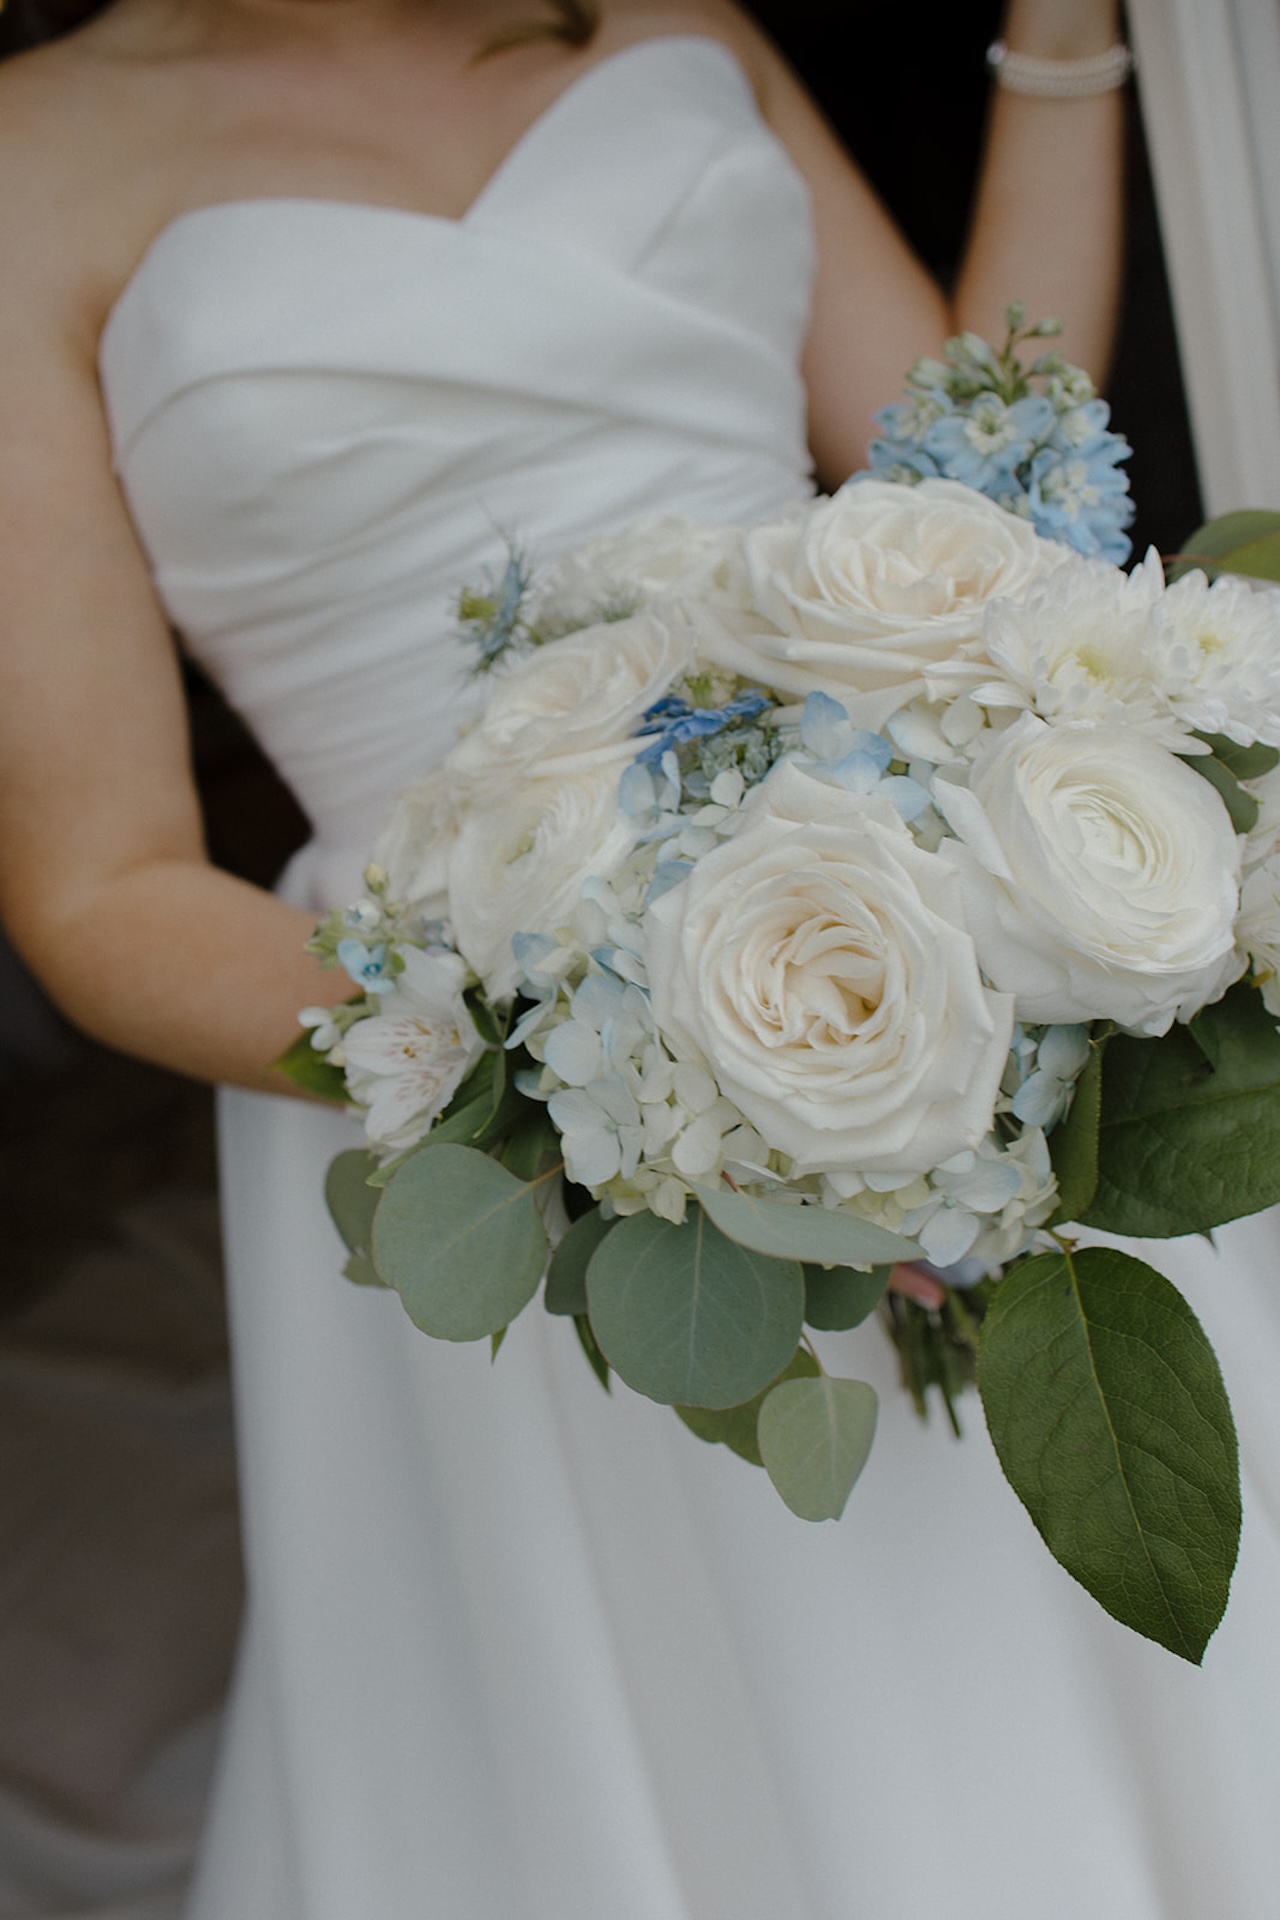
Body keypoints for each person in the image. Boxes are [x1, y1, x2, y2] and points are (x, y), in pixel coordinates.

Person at [1, 2, 1278, 1916]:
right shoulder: (35, 153)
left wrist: (1071, 36)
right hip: (477, 1061)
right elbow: (98, 887)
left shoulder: (677, 15)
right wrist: (570, 1065)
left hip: (918, 907)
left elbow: (981, 478)